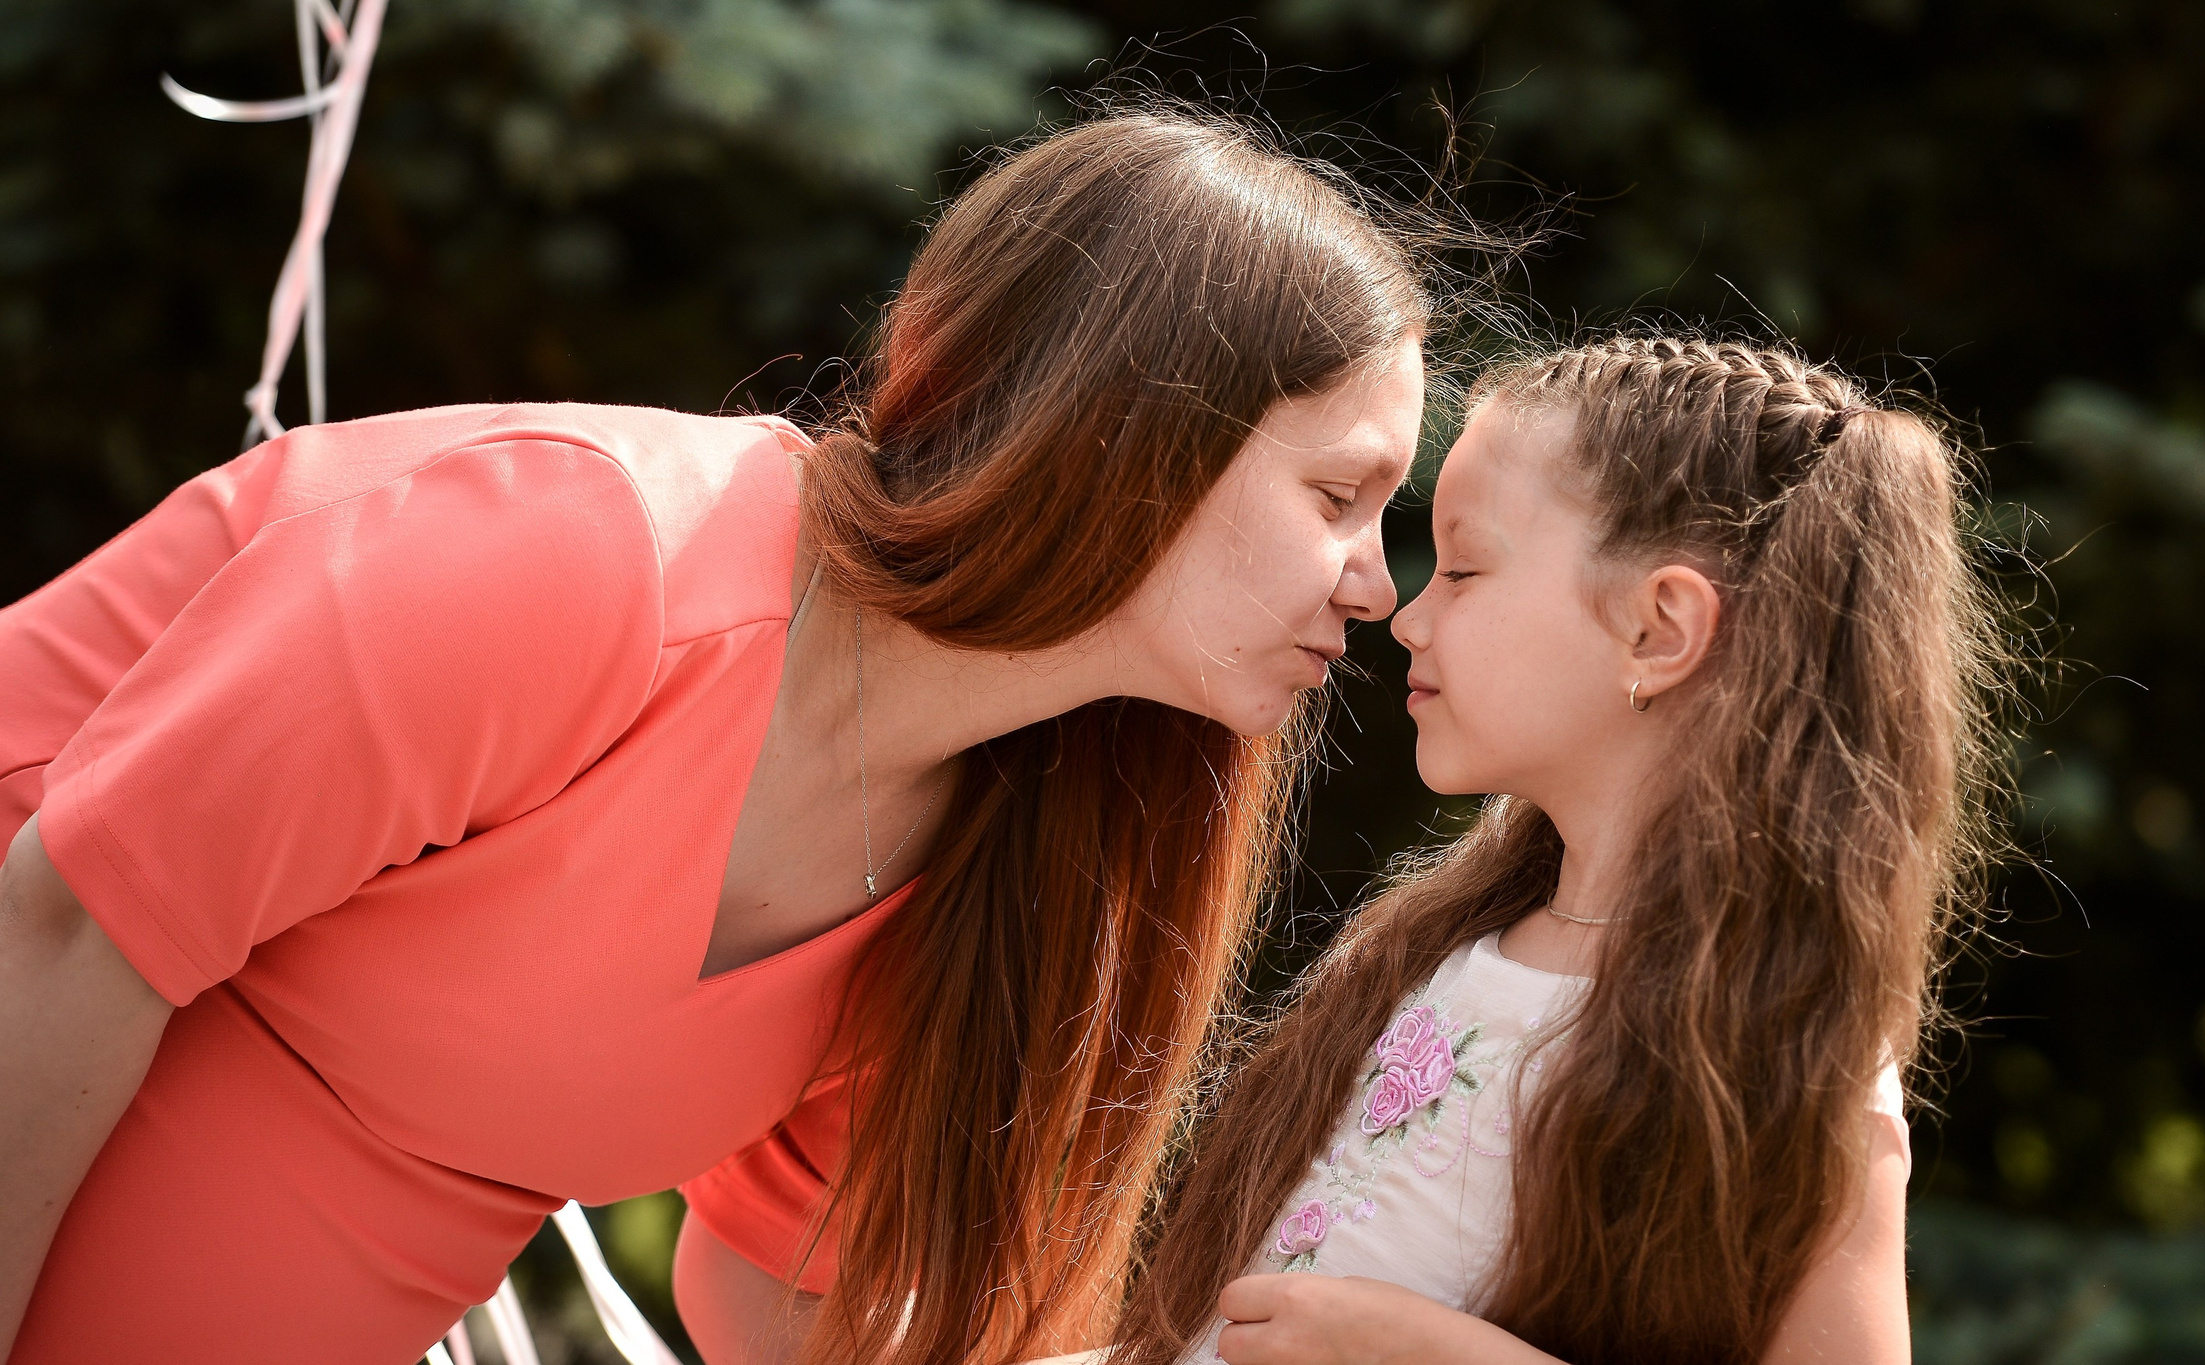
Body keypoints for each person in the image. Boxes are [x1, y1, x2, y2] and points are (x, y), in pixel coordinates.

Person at [0, 111, 1435, 1365]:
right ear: (1134, 433)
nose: (1375, 585)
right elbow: (64, 925)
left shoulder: (1014, 845)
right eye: (1337, 498)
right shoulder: (582, 555)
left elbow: (780, 1298)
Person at [1103, 337, 2002, 1365]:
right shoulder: (1439, 948)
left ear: (1659, 628)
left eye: (1464, 568)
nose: (1407, 616)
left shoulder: (1789, 1072)